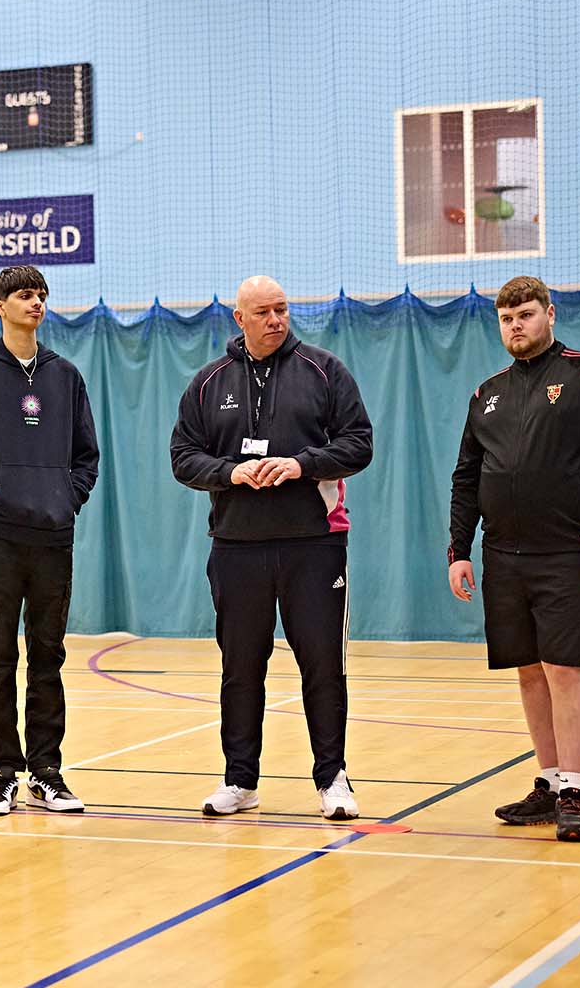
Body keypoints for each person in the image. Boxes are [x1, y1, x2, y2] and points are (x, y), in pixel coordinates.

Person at [170, 275, 373, 821]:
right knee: (240, 666)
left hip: (315, 545)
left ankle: (333, 778)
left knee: (323, 664)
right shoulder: (210, 382)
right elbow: (183, 457)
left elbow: (359, 443)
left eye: (282, 309)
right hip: (236, 548)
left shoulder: (325, 371)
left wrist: (301, 464)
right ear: (239, 319)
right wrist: (232, 473)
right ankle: (240, 780)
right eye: (262, 312)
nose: (276, 320)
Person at [447, 276, 580, 842]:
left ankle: (575, 791)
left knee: (565, 668)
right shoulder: (487, 393)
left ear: (550, 314)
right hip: (504, 556)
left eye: (526, 315)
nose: (516, 326)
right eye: (507, 319)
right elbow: (466, 477)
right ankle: (550, 784)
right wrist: (460, 550)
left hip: (571, 554)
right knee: (530, 670)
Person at [0, 264, 99, 817]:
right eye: (25, 295)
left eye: (42, 296)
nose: (37, 304)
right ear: (0, 305)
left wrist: (65, 498)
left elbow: (87, 458)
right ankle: (2, 772)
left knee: (48, 658)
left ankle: (47, 772)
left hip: (55, 539)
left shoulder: (66, 375)